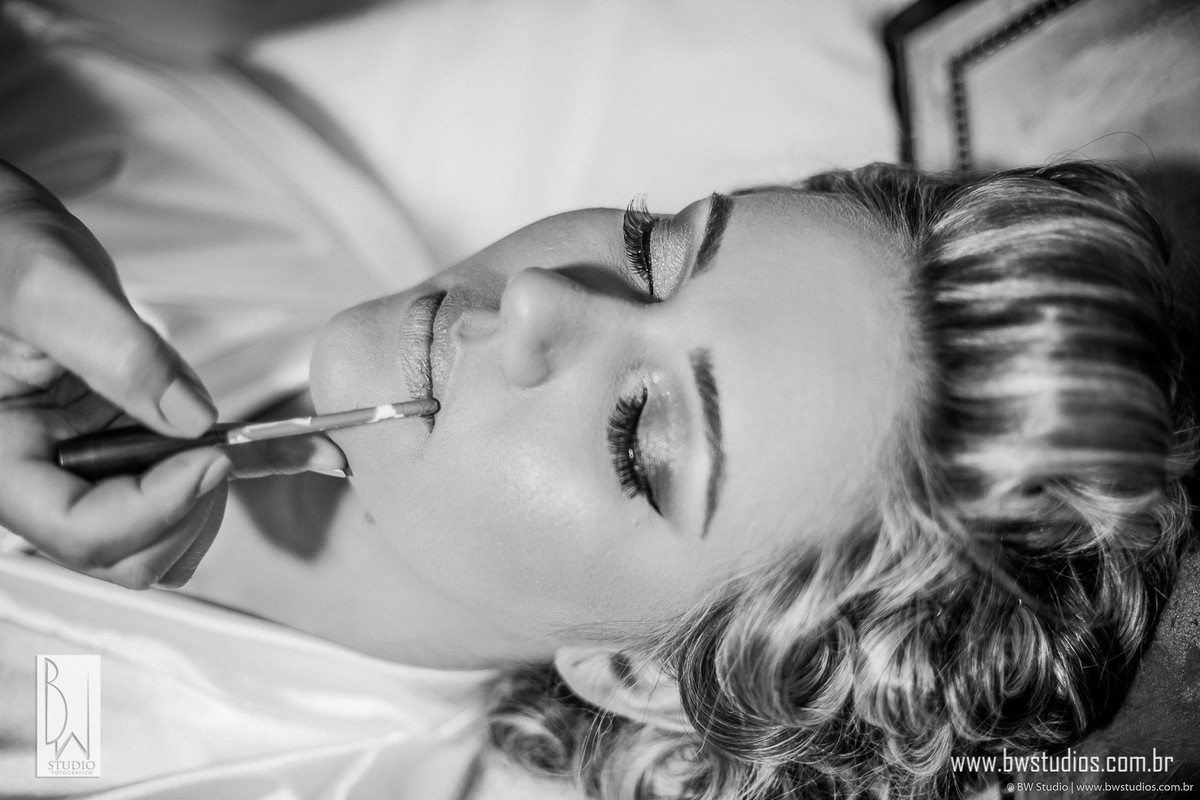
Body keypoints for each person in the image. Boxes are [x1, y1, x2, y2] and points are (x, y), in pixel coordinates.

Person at [1, 151, 1195, 799]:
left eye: (638, 437)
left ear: (638, 672)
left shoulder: (204, 768)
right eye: (648, 248)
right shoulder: (182, 182)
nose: (535, 299)